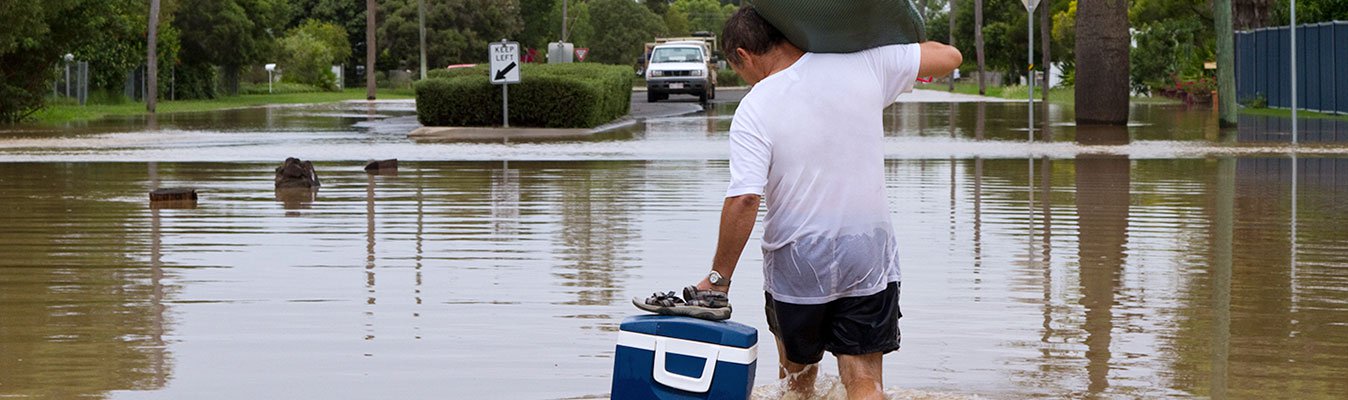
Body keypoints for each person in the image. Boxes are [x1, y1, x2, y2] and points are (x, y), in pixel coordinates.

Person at [690, 6, 962, 399]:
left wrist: (718, 279)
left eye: (738, 70)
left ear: (744, 56)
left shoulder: (755, 106)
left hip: (797, 260)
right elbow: (949, 57)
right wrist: (872, 36)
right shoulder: (865, 64)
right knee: (865, 380)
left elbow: (746, 198)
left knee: (796, 383)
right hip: (866, 253)